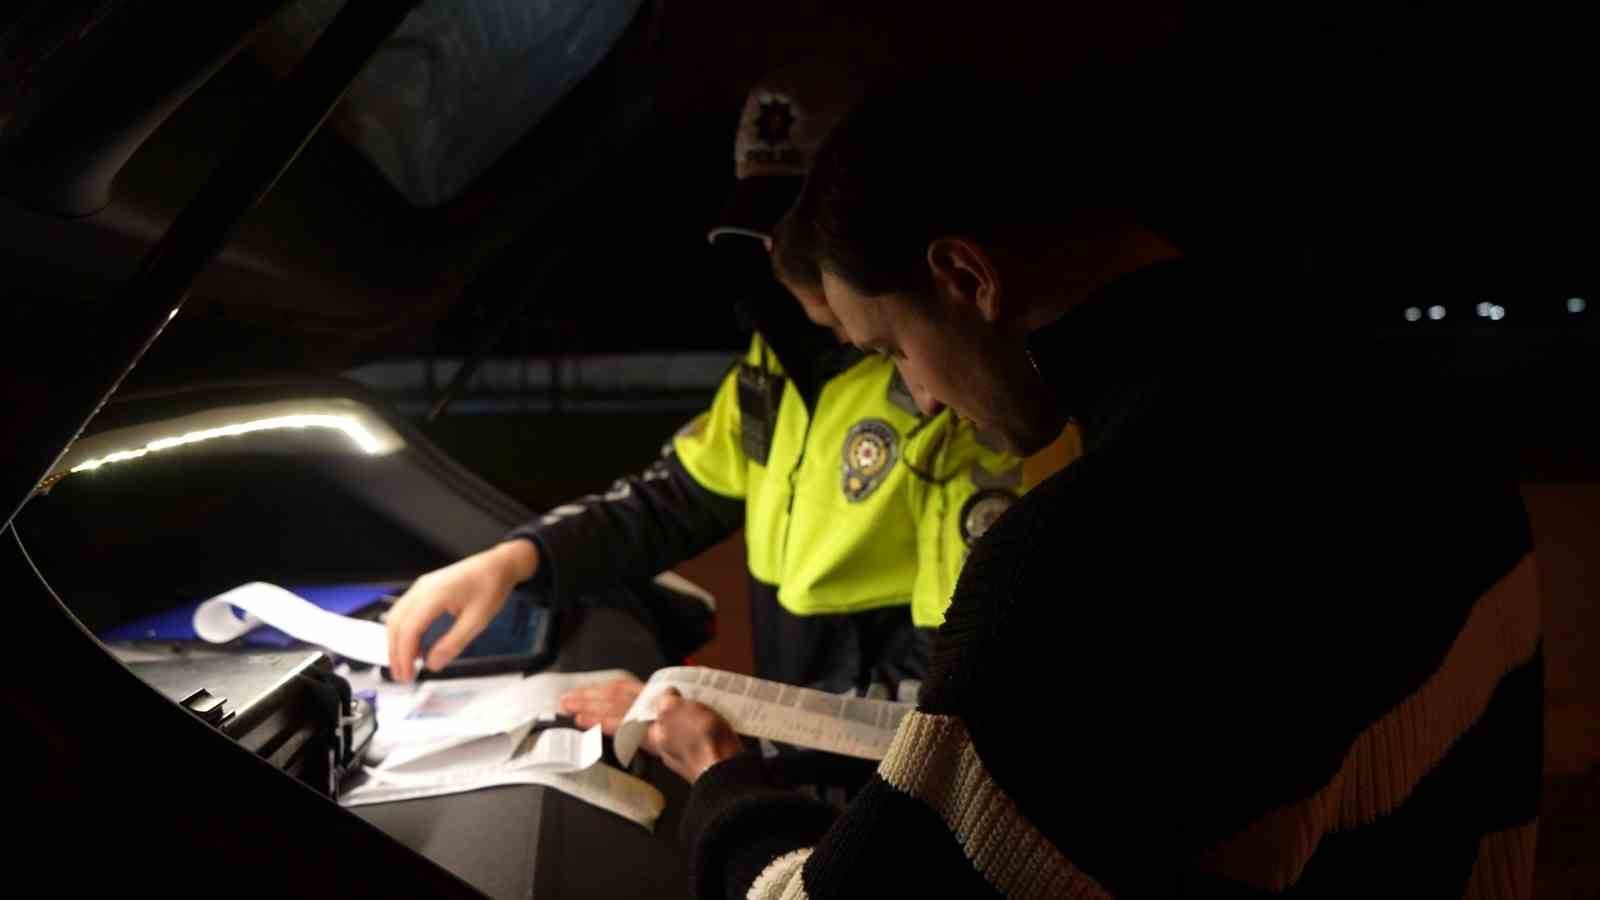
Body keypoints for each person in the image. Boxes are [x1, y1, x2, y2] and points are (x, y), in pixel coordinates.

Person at [647, 72, 1542, 899]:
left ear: (966, 277)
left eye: (893, 351)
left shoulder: (1084, 555)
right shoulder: (1422, 414)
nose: (921, 399)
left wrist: (721, 779)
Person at [386, 71, 1070, 724]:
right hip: (805, 735)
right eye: (763, 232)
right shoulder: (773, 364)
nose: (777, 256)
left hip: (876, 766)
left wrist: (739, 728)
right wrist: (517, 559)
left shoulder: (956, 392)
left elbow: (941, 691)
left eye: (797, 231)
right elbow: (677, 496)